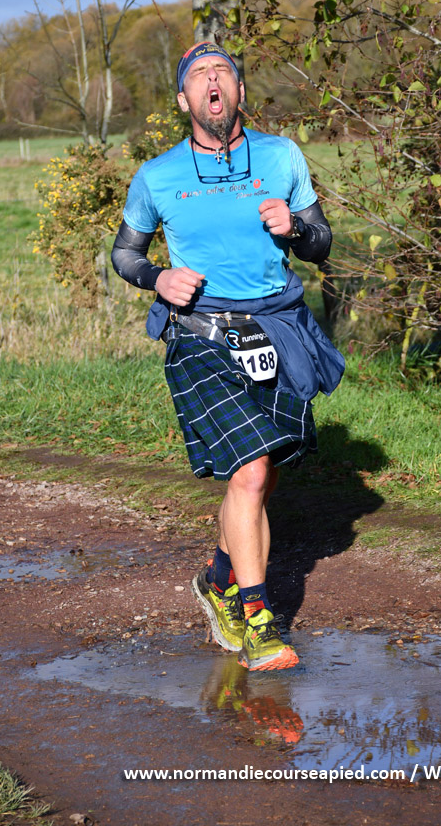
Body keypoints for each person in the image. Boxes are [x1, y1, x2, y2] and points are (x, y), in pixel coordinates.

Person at [112, 41, 344, 671]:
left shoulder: (281, 155)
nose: (213, 80)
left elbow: (321, 243)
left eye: (223, 72)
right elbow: (125, 253)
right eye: (199, 75)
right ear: (184, 99)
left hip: (278, 326)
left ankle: (219, 580)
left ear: (238, 91)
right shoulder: (158, 175)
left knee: (263, 475)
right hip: (200, 332)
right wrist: (157, 278)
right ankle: (259, 621)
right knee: (249, 471)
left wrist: (296, 230)